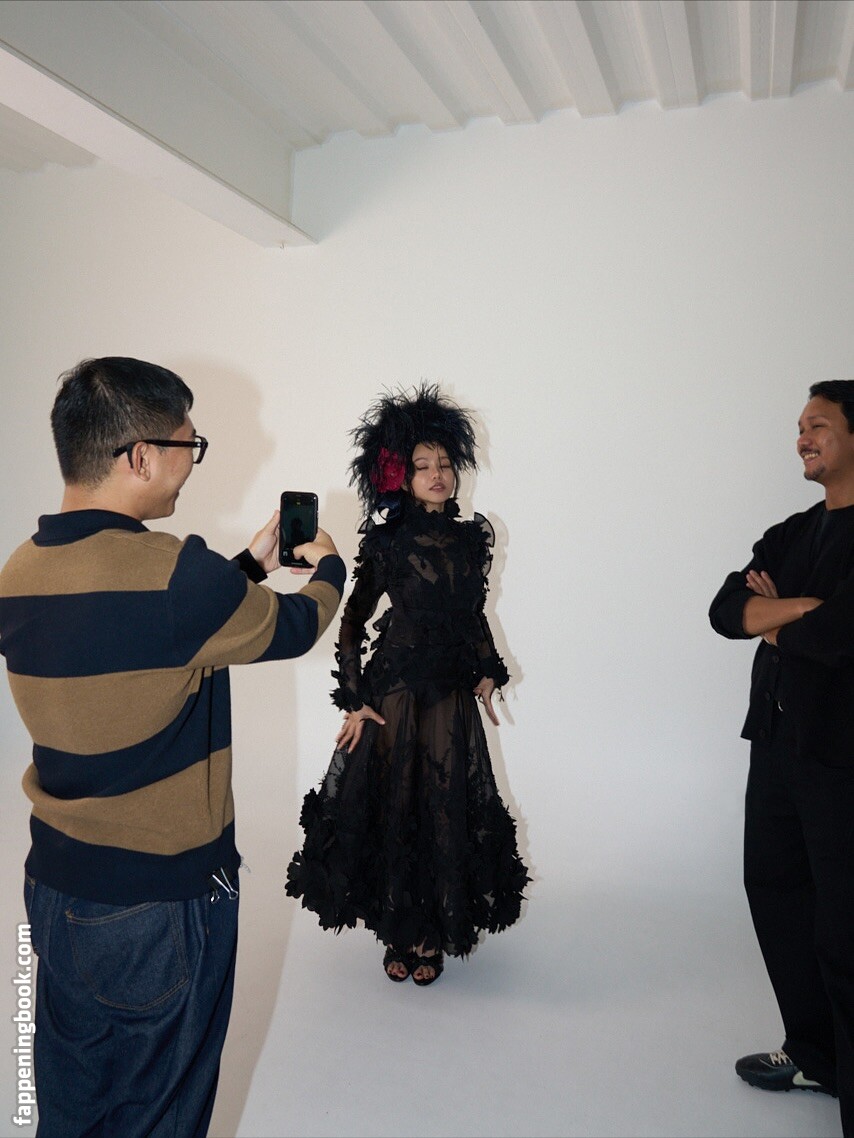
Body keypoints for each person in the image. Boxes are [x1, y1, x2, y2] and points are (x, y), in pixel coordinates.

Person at [0, 357, 345, 1138]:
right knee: (163, 1113)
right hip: (161, 902)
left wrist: (251, 565)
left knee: (73, 1106)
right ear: (141, 456)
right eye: (191, 444)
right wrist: (330, 566)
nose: (193, 462)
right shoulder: (174, 574)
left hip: (55, 887)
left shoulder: (20, 571)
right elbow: (294, 626)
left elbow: (148, 635)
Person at [286, 384, 529, 985]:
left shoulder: (473, 538)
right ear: (402, 475)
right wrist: (354, 696)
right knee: (396, 806)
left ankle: (431, 932)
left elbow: (472, 614)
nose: (437, 474)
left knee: (442, 807)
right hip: (394, 689)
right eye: (423, 466)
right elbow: (353, 618)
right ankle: (399, 930)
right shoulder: (388, 541)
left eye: (445, 463)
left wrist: (487, 670)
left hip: (449, 694)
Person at [709, 379, 854, 1136]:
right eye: (800, 425)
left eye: (818, 424)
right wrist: (796, 611)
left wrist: (773, 618)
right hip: (774, 746)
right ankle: (817, 1054)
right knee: (776, 895)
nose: (803, 436)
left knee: (845, 927)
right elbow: (724, 609)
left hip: (841, 759)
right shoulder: (792, 532)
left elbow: (844, 636)